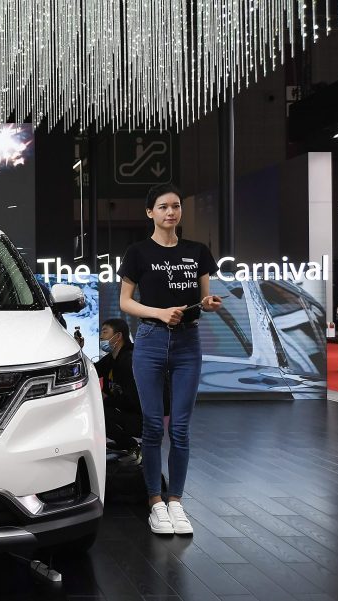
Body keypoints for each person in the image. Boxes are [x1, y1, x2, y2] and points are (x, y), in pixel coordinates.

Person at [118, 183, 223, 536]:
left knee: (179, 428)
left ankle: (175, 501)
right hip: (149, 339)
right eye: (163, 207)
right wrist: (160, 313)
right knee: (150, 425)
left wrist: (208, 304)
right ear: (150, 212)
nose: (170, 212)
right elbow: (126, 303)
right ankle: (154, 502)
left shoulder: (197, 251)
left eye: (175, 206)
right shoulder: (137, 252)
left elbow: (205, 300)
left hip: (187, 343)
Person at [94, 318, 141, 451]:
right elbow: (92, 371)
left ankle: (129, 444)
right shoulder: (112, 358)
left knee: (99, 412)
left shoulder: (129, 361)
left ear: (118, 336)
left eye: (105, 332)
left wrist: (106, 399)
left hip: (138, 417)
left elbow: (133, 400)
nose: (101, 337)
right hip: (123, 410)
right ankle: (124, 442)